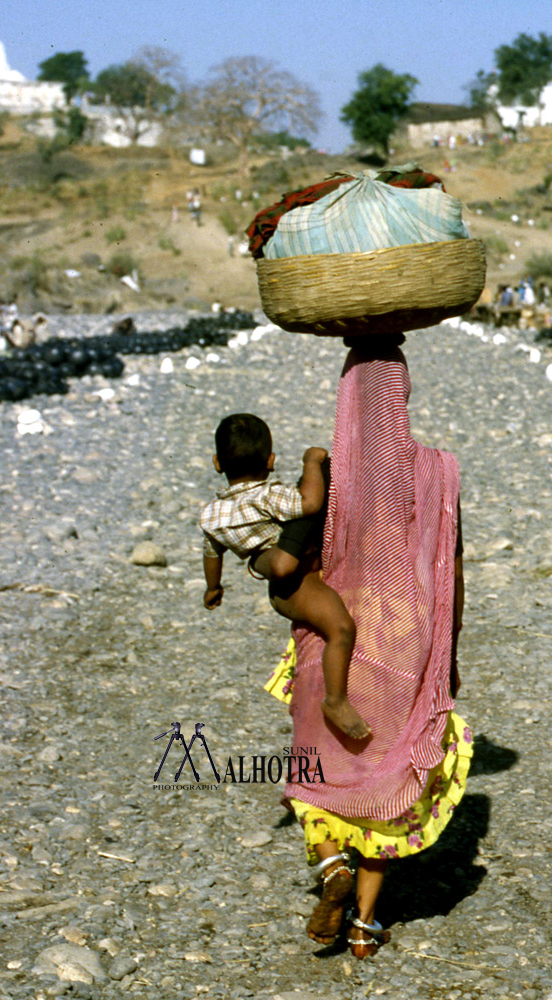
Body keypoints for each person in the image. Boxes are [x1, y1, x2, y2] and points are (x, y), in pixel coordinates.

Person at [266, 336, 472, 958]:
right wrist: (449, 653)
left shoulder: (326, 482)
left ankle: (331, 869)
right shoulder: (438, 470)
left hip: (333, 639)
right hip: (406, 639)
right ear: (403, 399)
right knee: (385, 784)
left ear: (345, 403)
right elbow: (454, 570)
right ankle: (364, 924)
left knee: (317, 775)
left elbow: (283, 564)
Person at [200, 413, 370, 740]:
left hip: (283, 586)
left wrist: (213, 587)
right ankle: (335, 700)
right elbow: (310, 503)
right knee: (342, 628)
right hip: (297, 583)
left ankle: (271, 561)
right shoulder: (270, 496)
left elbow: (212, 552)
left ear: (217, 463)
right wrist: (310, 462)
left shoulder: (211, 514)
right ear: (271, 460)